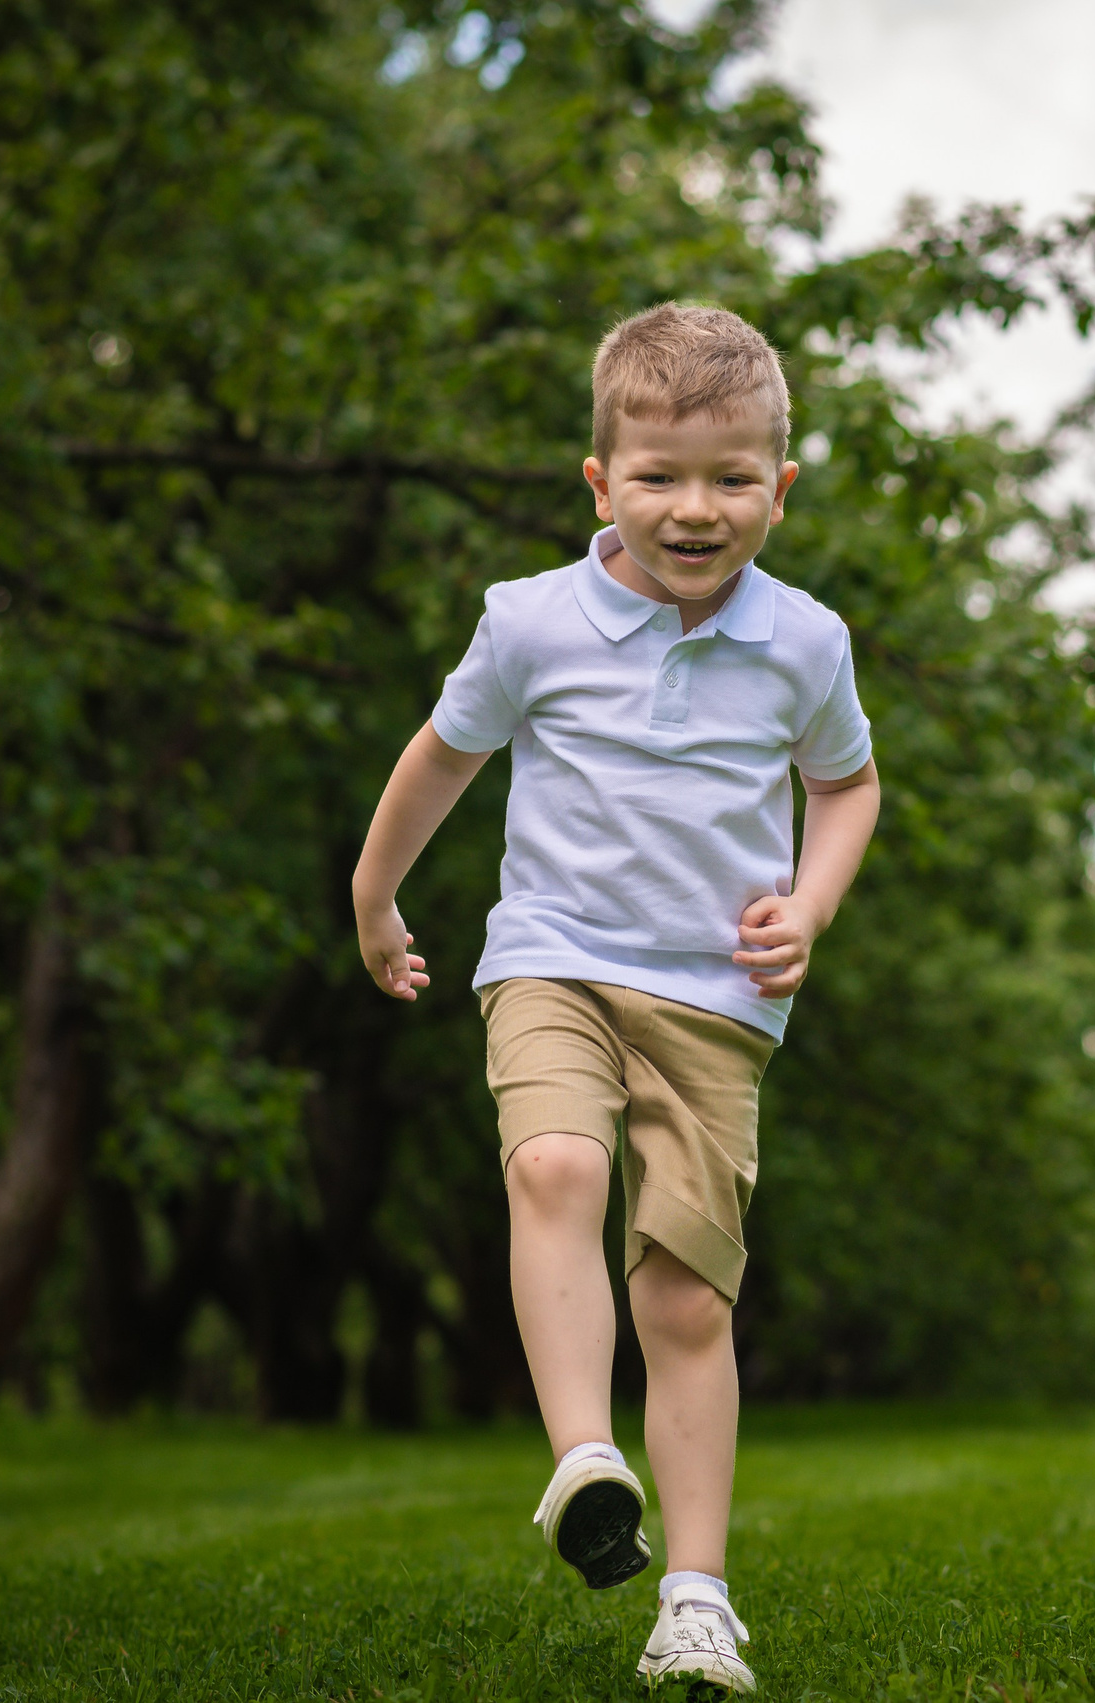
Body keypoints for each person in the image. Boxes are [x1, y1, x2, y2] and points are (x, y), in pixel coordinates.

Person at [350, 301, 881, 1694]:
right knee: (555, 1166)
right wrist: (374, 895)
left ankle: (696, 1602)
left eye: (731, 478)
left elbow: (847, 785)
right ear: (601, 482)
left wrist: (808, 906)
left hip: (714, 1001)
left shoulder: (806, 644)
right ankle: (586, 1458)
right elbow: (444, 756)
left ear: (782, 481)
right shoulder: (532, 623)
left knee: (687, 1302)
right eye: (658, 475)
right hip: (553, 958)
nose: (693, 509)